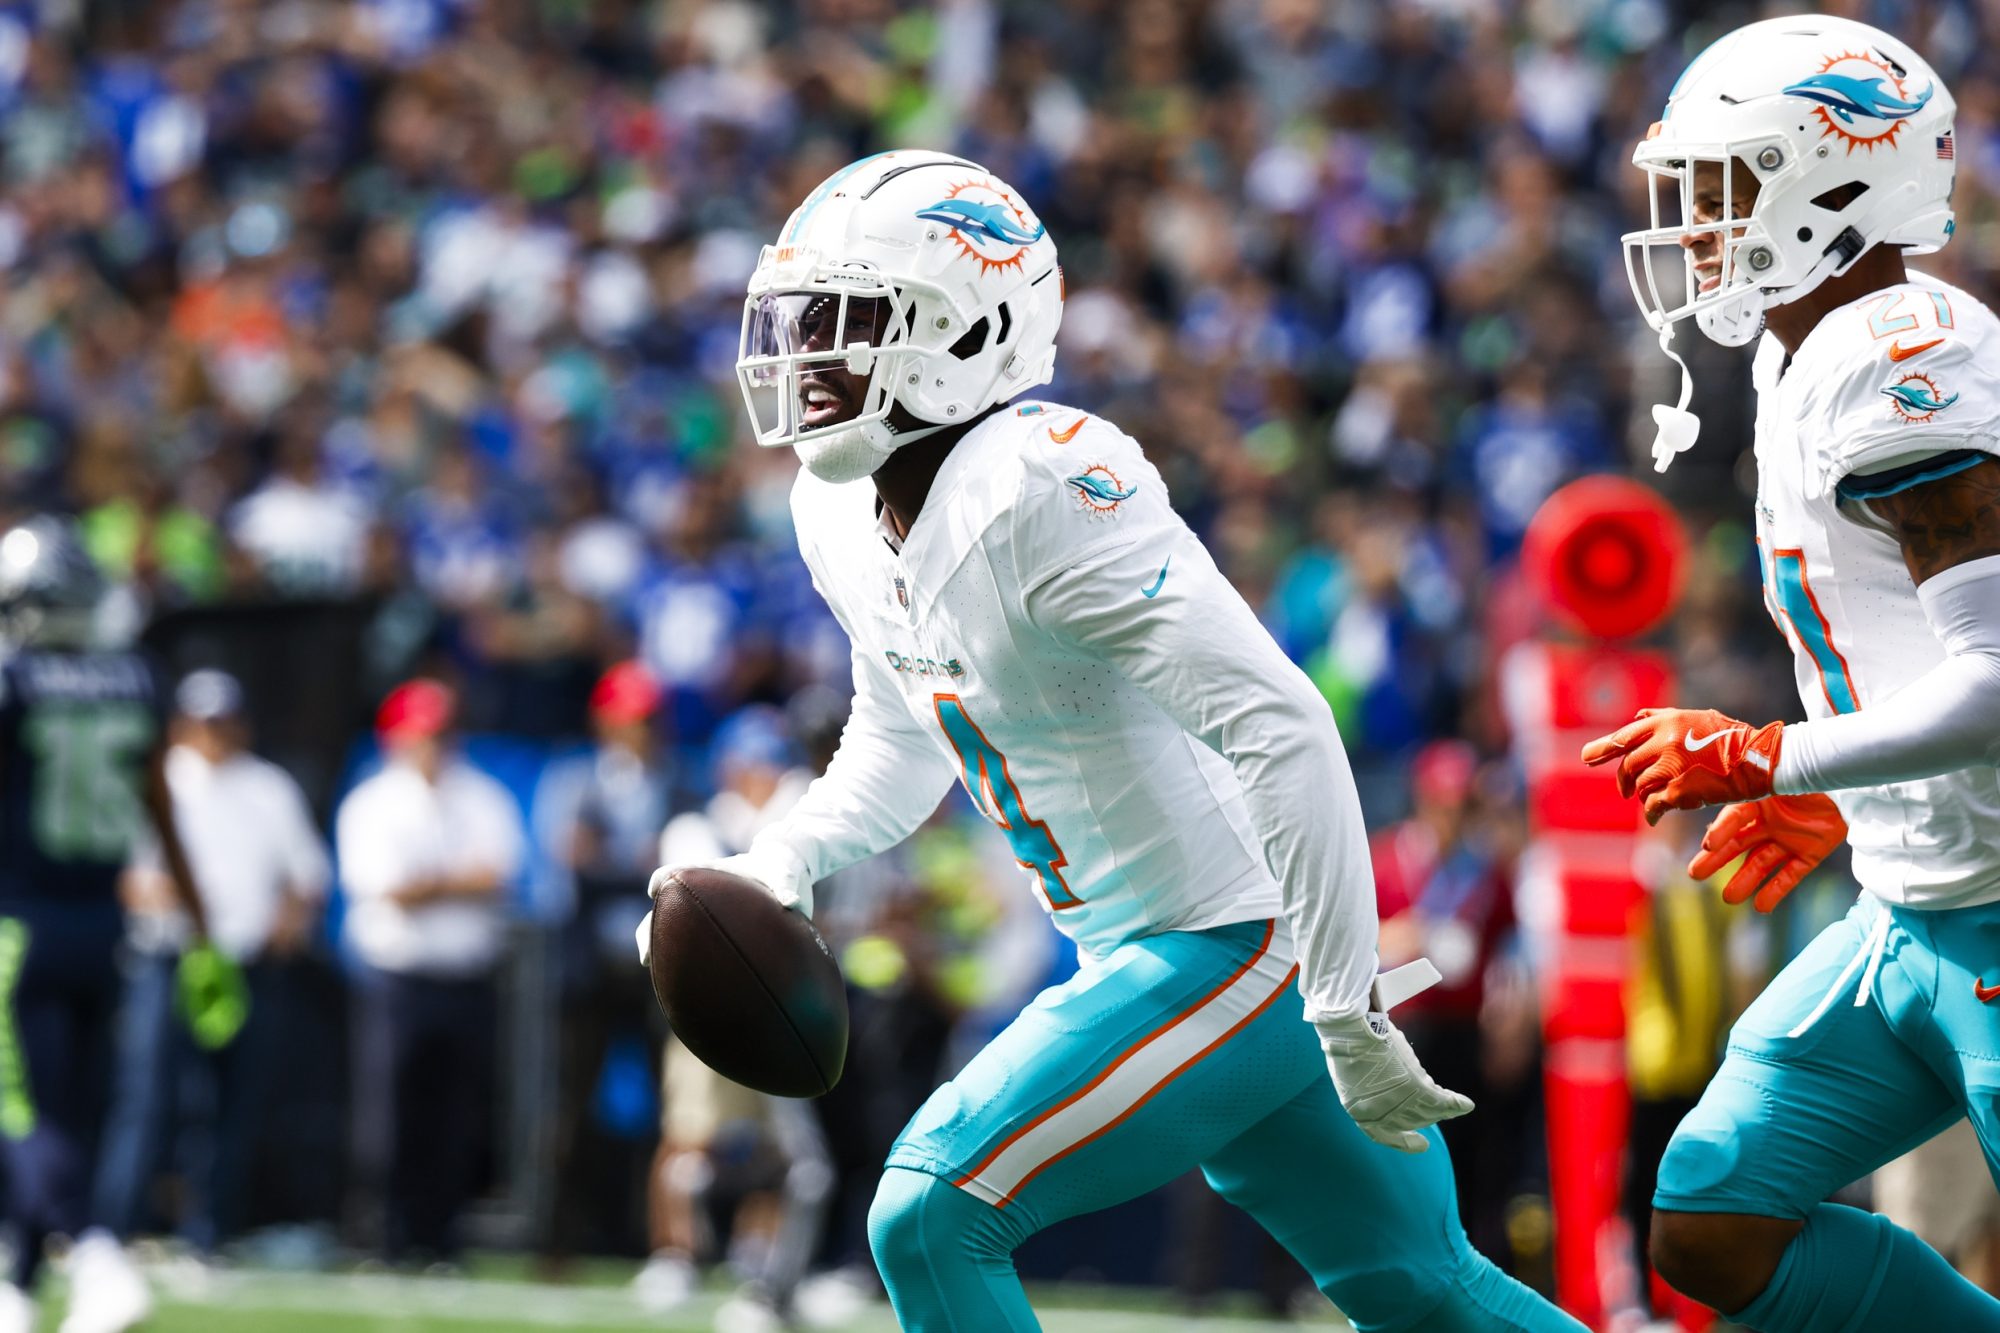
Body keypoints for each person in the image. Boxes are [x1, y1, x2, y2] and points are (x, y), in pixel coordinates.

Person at [639, 150, 1584, 1332]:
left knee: (931, 1209)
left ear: (964, 330)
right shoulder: (836, 505)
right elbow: (900, 737)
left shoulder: (1039, 485)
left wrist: (1341, 1001)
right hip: (1160, 951)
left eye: (845, 326)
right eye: (797, 324)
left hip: (1238, 945)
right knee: (1429, 1296)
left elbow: (1281, 724)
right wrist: (778, 863)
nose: (807, 361)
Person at [1584, 14, 2000, 1326]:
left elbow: (1998, 680)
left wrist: (1771, 755)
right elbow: (1896, 649)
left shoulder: (1908, 363)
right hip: (1912, 903)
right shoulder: (1801, 348)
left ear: (1833, 183)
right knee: (1712, 1216)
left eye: (1726, 187)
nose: (1699, 224)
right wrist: (1850, 792)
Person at [0, 518, 236, 1333]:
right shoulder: (136, 676)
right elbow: (161, 810)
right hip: (108, 924)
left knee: (23, 1111)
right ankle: (21, 1283)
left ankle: (97, 1252)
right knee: (79, 1108)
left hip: (18, 928)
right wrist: (202, 923)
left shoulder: (14, 680)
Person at [94, 668, 329, 1261]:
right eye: (203, 723)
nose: (214, 735)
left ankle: (208, 1232)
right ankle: (116, 1227)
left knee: (232, 1103)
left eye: (223, 722)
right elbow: (123, 873)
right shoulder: (158, 779)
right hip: (167, 958)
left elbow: (307, 876)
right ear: (181, 726)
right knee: (147, 1098)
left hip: (242, 962)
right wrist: (158, 895)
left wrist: (286, 924)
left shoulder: (268, 788)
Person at [639, 706, 832, 1333]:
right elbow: (709, 901)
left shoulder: (784, 817)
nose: (764, 776)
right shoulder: (698, 826)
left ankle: (757, 1267)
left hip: (775, 1009)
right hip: (709, 1010)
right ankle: (676, 1253)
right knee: (691, 1138)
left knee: (780, 1155)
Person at [336, 678, 524, 1265]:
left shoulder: (483, 796)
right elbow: (387, 889)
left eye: (442, 733)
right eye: (423, 734)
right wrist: (456, 882)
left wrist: (432, 883)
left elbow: (500, 876)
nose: (435, 745)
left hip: (466, 974)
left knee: (457, 1114)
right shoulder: (371, 802)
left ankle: (442, 1236)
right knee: (390, 1112)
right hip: (399, 975)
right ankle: (386, 1233)